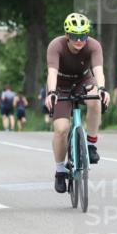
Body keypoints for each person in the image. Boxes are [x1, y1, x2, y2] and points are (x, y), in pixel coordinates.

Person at [43, 13, 110, 193]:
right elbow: (52, 73)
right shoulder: (55, 46)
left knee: (95, 100)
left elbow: (98, 70)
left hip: (83, 80)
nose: (79, 40)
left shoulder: (93, 46)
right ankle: (60, 170)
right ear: (67, 35)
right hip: (60, 85)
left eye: (83, 36)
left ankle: (90, 143)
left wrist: (102, 89)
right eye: (74, 36)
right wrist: (51, 93)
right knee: (62, 129)